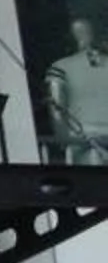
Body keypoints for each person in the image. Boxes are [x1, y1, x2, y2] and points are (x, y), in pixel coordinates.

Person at [44, 15, 108, 164]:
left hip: (85, 143)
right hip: (88, 143)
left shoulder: (59, 68)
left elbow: (57, 110)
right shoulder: (61, 68)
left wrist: (64, 141)